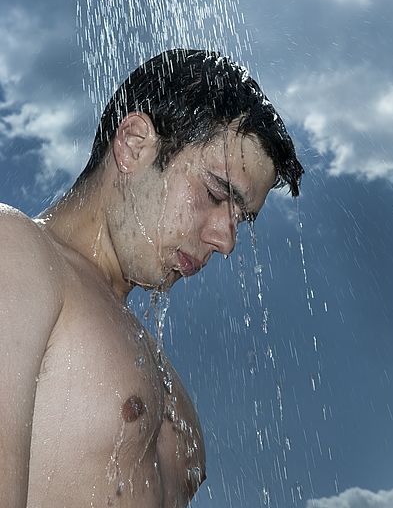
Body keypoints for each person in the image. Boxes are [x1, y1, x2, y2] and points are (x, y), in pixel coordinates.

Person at [0, 48, 303, 508]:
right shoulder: (16, 250)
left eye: (242, 218)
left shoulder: (149, 355)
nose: (226, 240)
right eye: (215, 193)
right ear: (135, 143)